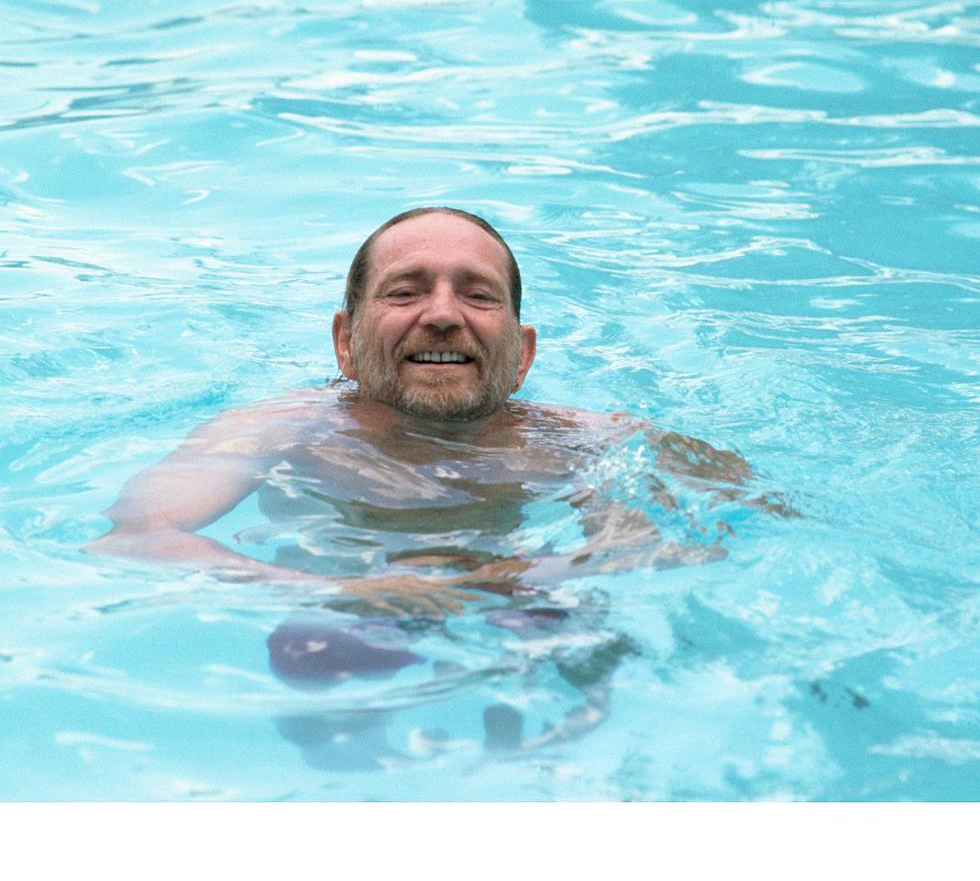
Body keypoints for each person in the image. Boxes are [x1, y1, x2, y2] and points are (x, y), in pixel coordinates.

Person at [87, 206, 785, 614]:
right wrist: (347, 589)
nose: (445, 315)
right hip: (344, 607)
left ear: (523, 354)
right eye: (405, 291)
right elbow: (136, 538)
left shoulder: (592, 444)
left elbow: (757, 522)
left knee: (573, 639)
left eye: (479, 295)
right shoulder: (280, 431)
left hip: (526, 603)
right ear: (345, 343)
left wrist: (566, 569)